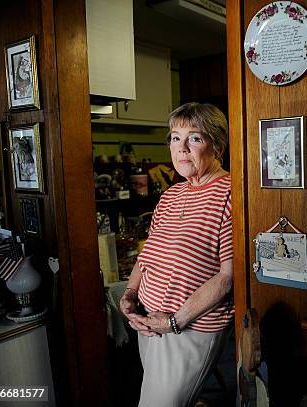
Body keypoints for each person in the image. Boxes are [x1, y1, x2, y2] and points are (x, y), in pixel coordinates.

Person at [119, 102, 233, 407]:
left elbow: (227, 277)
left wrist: (173, 321)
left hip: (187, 329)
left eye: (194, 138)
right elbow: (148, 256)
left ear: (217, 145)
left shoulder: (232, 192)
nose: (181, 148)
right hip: (149, 324)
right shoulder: (172, 194)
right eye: (174, 137)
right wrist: (130, 294)